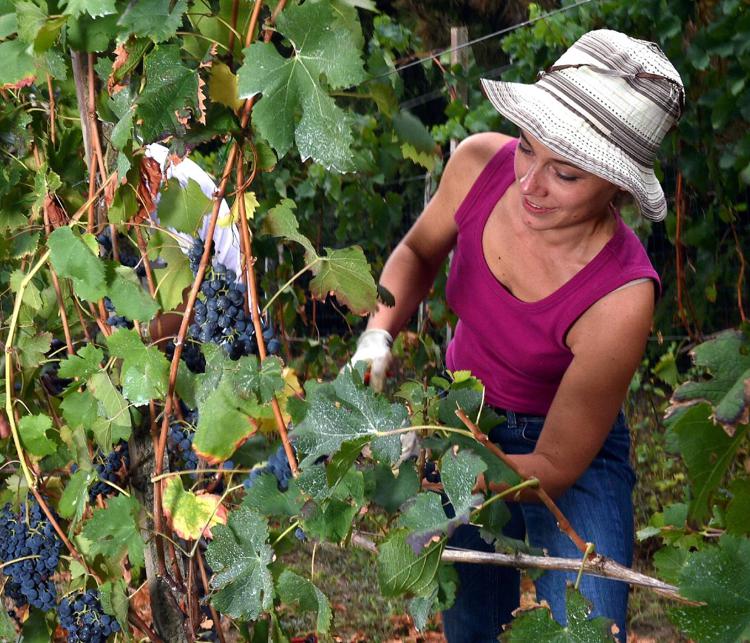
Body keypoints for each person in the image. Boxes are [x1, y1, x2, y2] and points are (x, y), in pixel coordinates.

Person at [350, 29, 685, 641]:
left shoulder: (622, 297)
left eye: (565, 174)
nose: (529, 184)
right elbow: (420, 253)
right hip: (462, 413)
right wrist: (378, 333)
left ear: (619, 184)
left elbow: (552, 465)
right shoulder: (480, 163)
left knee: (590, 624)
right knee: (472, 620)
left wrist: (438, 471)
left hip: (564, 452)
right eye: (528, 148)